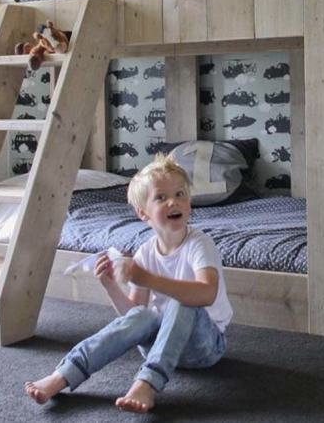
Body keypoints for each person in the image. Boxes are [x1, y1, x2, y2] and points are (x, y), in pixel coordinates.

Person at [24, 155, 233, 413]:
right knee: (143, 316)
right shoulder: (145, 252)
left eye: (180, 194)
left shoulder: (199, 244)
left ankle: (147, 382)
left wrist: (144, 277)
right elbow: (134, 313)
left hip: (203, 347)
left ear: (189, 203)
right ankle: (64, 374)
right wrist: (110, 285)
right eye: (161, 197)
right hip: (158, 345)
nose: (173, 202)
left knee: (183, 303)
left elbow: (207, 293)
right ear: (143, 213)